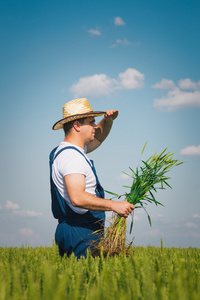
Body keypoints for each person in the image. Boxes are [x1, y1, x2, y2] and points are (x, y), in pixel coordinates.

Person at [49, 98, 135, 259]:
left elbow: (98, 138)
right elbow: (77, 198)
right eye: (91, 122)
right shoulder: (72, 157)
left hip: (71, 229)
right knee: (86, 282)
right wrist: (115, 206)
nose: (95, 127)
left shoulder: (63, 151)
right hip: (81, 232)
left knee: (74, 281)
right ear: (76, 125)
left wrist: (107, 121)